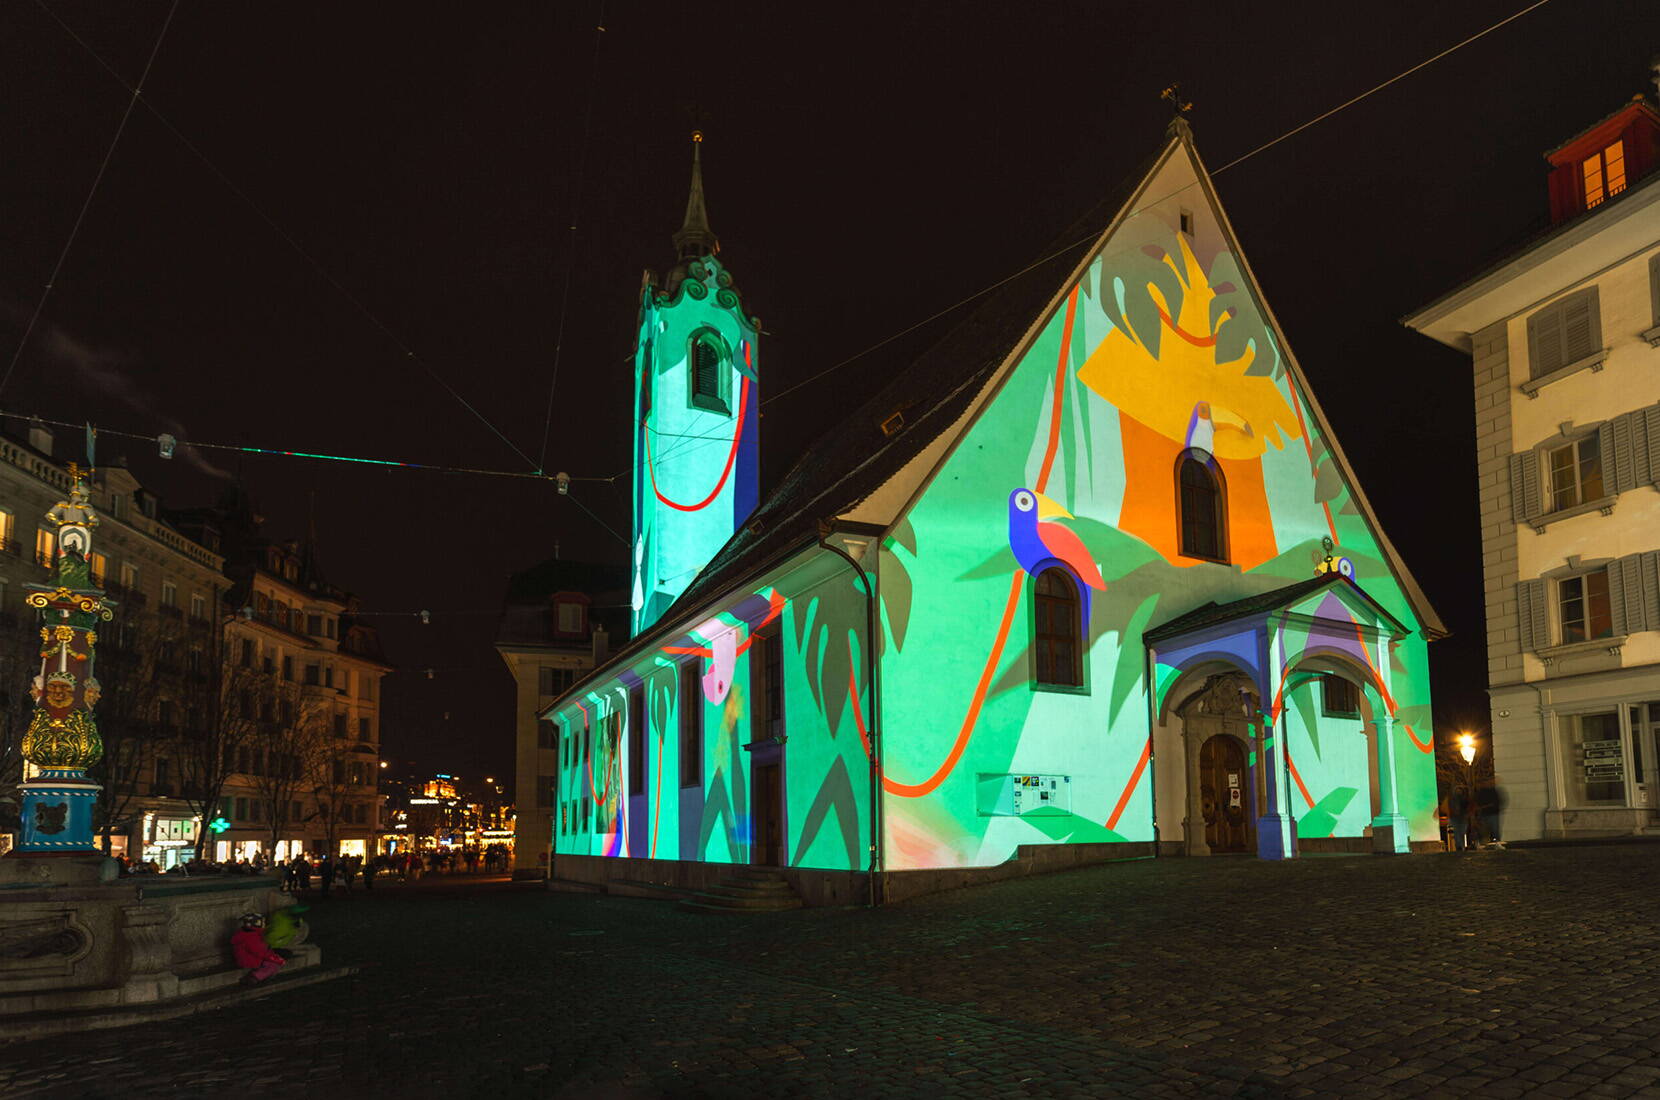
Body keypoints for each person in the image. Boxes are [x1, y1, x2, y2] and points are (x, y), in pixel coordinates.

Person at [232, 913, 285, 986]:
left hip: (249, 958)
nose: (264, 924)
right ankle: (254, 977)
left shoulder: (247, 933)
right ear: (257, 924)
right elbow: (260, 952)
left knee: (276, 959)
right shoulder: (252, 937)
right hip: (249, 960)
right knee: (274, 965)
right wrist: (276, 959)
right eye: (263, 922)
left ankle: (261, 976)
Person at [1477, 783, 1506, 848]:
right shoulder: (1482, 792)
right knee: (1485, 830)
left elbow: (1497, 801)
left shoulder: (1493, 791)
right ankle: (1483, 843)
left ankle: (1496, 843)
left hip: (1491, 813)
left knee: (1494, 829)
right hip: (1487, 813)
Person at [1447, 786, 1470, 851]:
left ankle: (1460, 845)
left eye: (1459, 791)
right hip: (1455, 818)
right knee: (1457, 832)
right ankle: (1459, 846)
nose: (1458, 792)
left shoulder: (1464, 799)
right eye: (1457, 791)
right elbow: (1449, 808)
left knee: (1462, 832)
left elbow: (1467, 808)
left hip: (1462, 817)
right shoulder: (1452, 800)